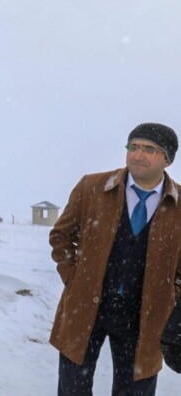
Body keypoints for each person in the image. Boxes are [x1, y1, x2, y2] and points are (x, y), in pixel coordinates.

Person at [49, 122, 181, 395]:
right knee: (73, 387)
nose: (138, 155)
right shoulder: (93, 187)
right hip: (86, 308)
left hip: (145, 316)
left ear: (167, 159)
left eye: (149, 149)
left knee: (135, 390)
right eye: (133, 146)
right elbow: (61, 236)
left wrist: (170, 296)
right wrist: (75, 280)